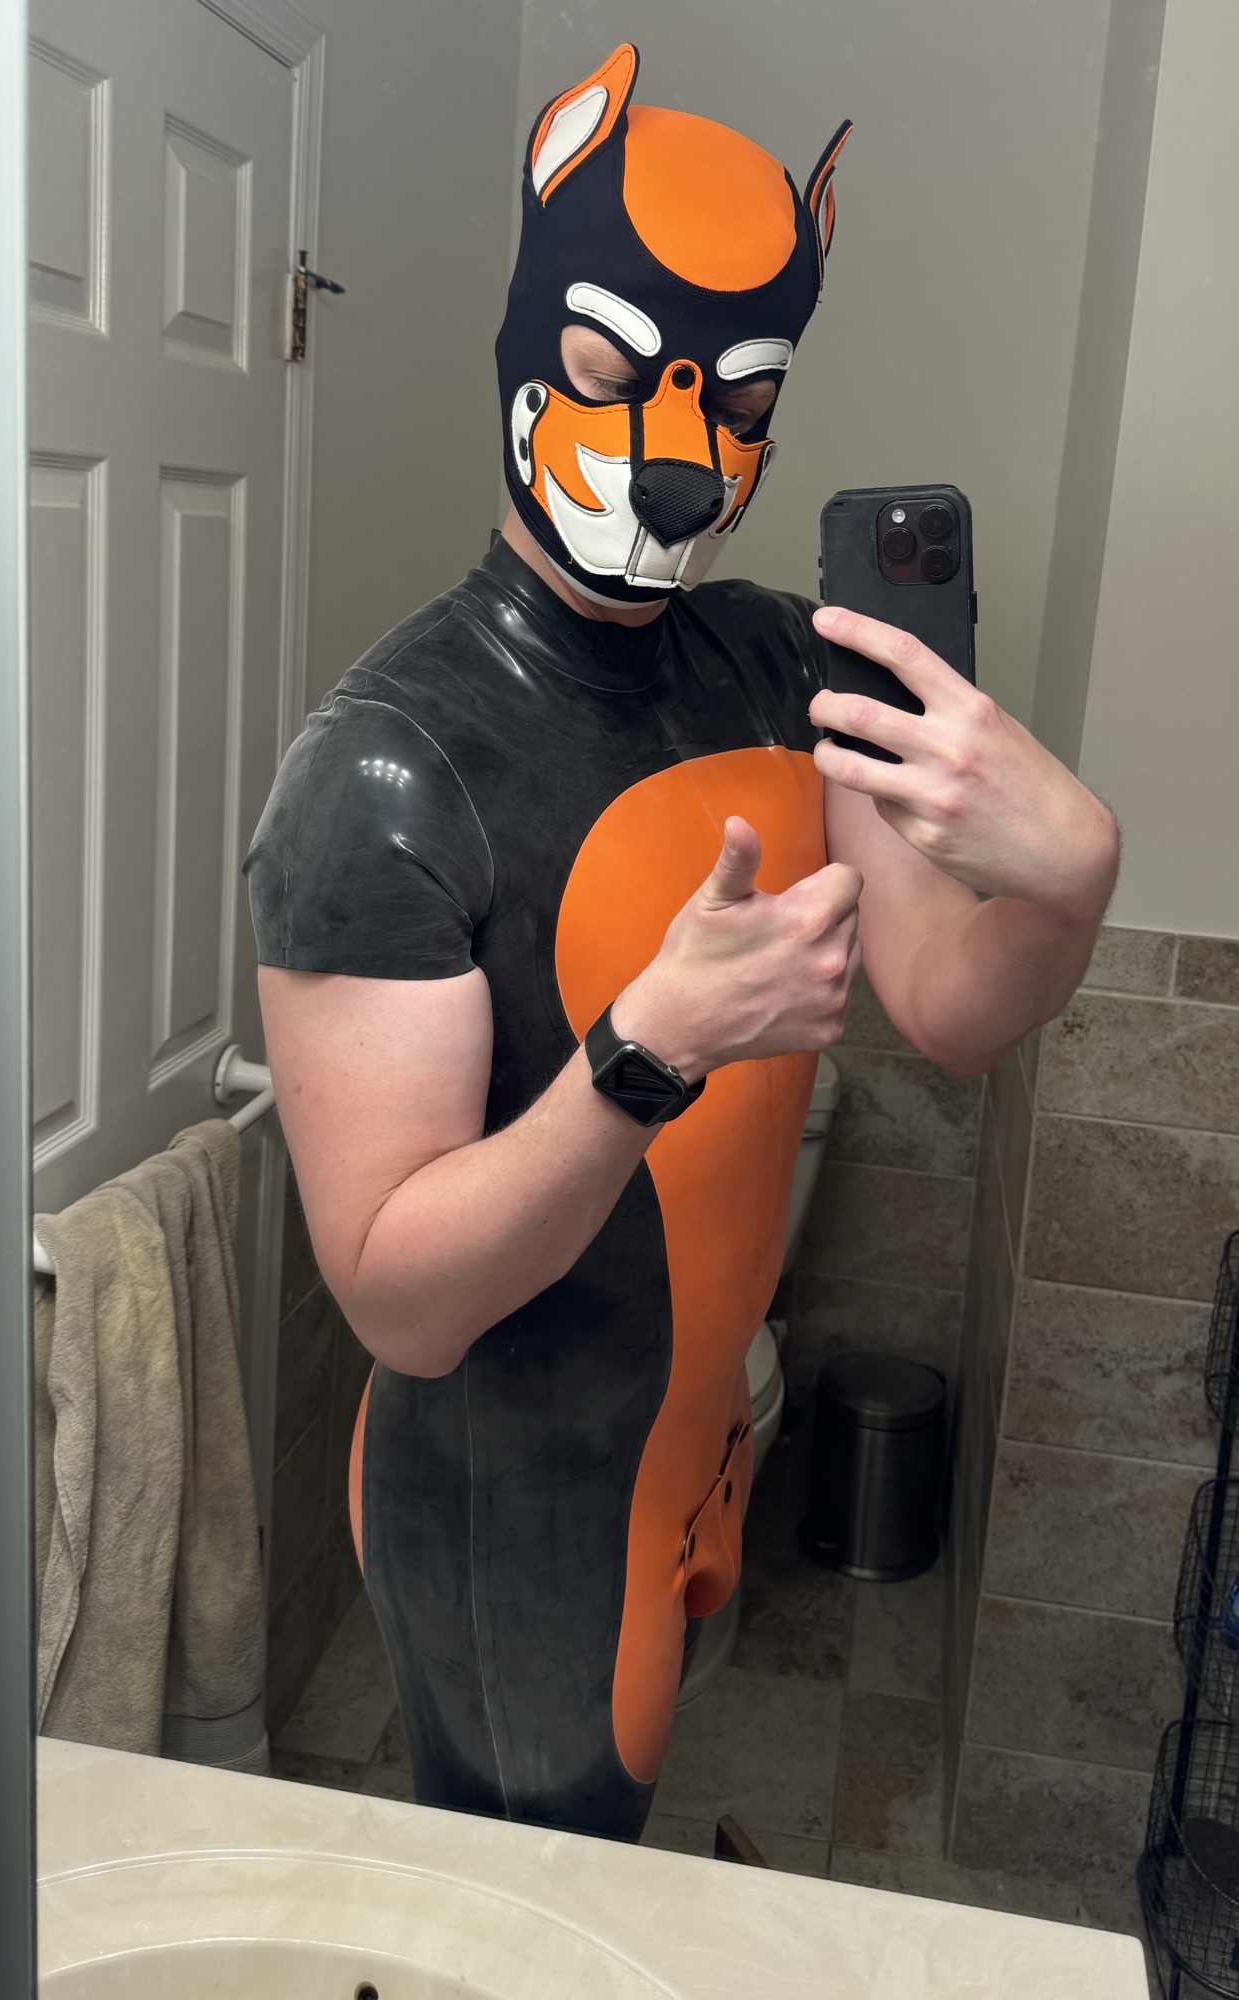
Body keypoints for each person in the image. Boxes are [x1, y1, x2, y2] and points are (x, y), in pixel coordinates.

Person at [245, 45, 1117, 1841]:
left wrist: (1069, 878)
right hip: (514, 1510)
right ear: (524, 342)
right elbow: (401, 1306)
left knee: (620, 1867)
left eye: (737, 398)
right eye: (606, 370)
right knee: (535, 1910)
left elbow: (952, 1010)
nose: (674, 463)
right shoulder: (388, 771)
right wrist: (647, 1051)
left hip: (703, 1436)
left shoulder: (781, 664)